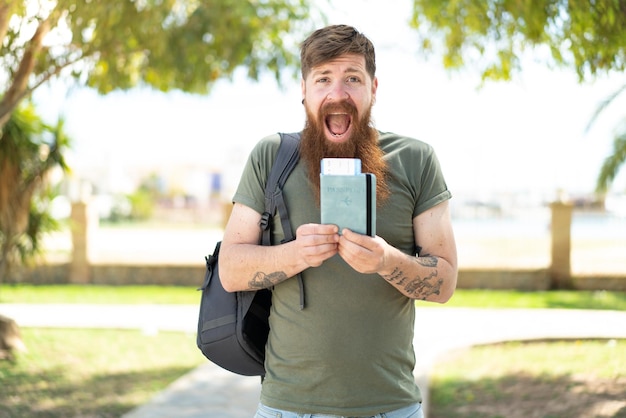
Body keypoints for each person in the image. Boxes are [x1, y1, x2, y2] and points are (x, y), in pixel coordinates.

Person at [219, 24, 458, 418]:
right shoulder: (271, 156)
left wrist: (387, 261)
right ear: (304, 89)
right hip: (287, 408)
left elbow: (445, 282)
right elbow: (230, 270)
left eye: (352, 79)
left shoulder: (416, 159)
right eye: (323, 79)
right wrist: (294, 254)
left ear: (374, 89)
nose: (338, 93)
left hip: (391, 407)